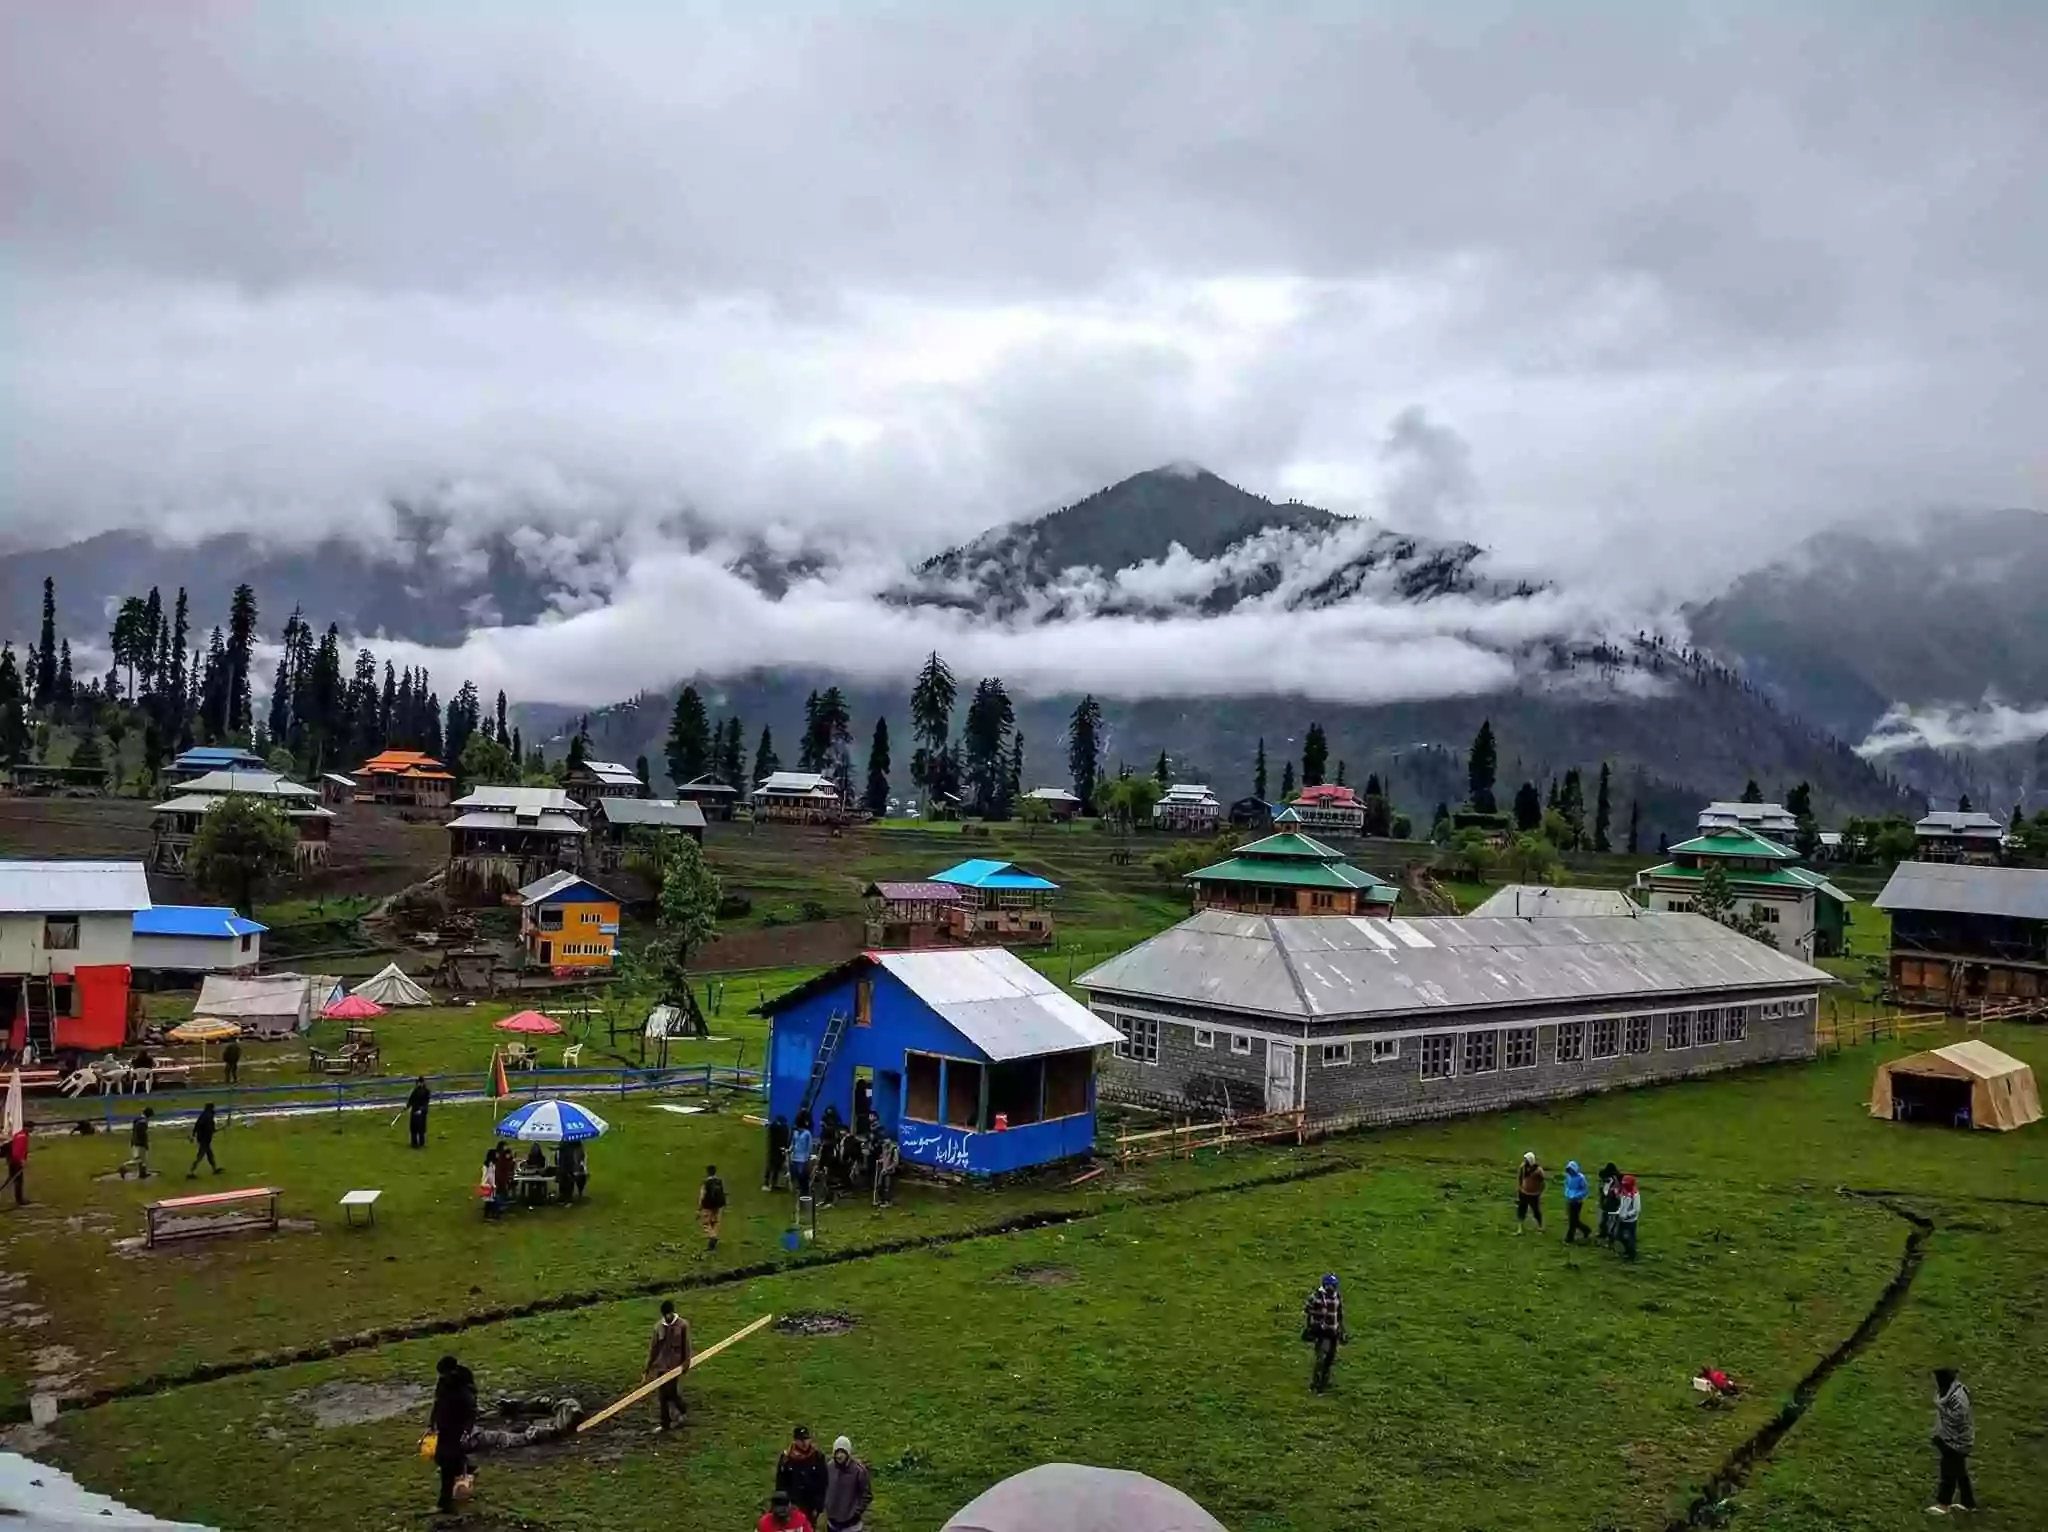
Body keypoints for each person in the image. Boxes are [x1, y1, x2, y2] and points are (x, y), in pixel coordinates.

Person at [428, 1354, 477, 1514]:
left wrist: (466, 1431)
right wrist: (432, 1422)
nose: (441, 1377)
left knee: (446, 1464)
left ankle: (445, 1503)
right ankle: (467, 1471)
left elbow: (471, 1411)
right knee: (445, 1458)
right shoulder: (443, 1382)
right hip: (444, 1426)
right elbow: (437, 1401)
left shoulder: (463, 1388)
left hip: (456, 1428)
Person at [1929, 1367, 1976, 1515]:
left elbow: (1957, 1419)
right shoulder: (1947, 1393)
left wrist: (1944, 1438)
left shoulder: (1958, 1398)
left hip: (1957, 1441)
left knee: (1948, 1472)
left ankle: (1944, 1504)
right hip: (1949, 1439)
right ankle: (1968, 1504)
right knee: (1960, 1472)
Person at [645, 1299, 691, 1431]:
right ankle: (665, 1423)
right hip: (661, 1366)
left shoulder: (682, 1325)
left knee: (670, 1391)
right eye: (665, 1315)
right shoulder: (658, 1327)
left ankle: (682, 1411)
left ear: (673, 1312)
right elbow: (654, 1348)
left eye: (669, 1314)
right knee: (662, 1395)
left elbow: (686, 1346)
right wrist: (648, 1367)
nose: (667, 1317)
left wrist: (685, 1364)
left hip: (675, 1366)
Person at [775, 1425, 829, 1526]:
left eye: (806, 1439)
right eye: (800, 1440)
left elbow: (823, 1483)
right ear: (795, 1440)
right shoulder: (786, 1458)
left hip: (811, 1507)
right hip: (792, 1506)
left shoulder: (817, 1457)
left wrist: (818, 1507)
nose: (804, 1443)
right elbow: (781, 1483)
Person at [1302, 1272, 1346, 1393]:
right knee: (1321, 1358)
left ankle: (1325, 1382)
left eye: (1334, 1286)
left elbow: (1340, 1314)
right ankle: (1316, 1384)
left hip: (1334, 1332)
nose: (1332, 1288)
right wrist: (1311, 1326)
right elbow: (1307, 1311)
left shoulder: (1337, 1297)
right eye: (1330, 1286)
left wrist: (1342, 1331)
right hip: (1321, 1332)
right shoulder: (1316, 1296)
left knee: (1330, 1359)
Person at [822, 1435, 871, 1532]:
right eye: (837, 1452)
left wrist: (856, 1513)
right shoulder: (829, 1467)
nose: (839, 1455)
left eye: (842, 1452)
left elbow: (866, 1495)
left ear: (848, 1453)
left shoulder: (859, 1471)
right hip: (832, 1523)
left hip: (851, 1526)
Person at [187, 1102, 222, 1178]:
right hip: (205, 1139)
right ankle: (191, 1172)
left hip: (202, 1138)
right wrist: (215, 1130)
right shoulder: (209, 1116)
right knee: (200, 1156)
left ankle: (214, 1169)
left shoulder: (203, 1115)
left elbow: (197, 1125)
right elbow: (210, 1128)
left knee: (209, 1155)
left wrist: (193, 1135)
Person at [118, 1106, 154, 1180]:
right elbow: (142, 1134)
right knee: (139, 1160)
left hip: (135, 1142)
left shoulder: (138, 1119)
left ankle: (142, 1173)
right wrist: (145, 1144)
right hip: (139, 1143)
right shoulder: (143, 1122)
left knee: (142, 1160)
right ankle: (124, 1166)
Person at [1562, 1160, 1592, 1244]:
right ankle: (1586, 1230)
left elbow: (1585, 1190)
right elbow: (1567, 1185)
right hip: (1570, 1200)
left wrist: (1576, 1196)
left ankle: (1569, 1237)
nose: (1570, 1171)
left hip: (1577, 1202)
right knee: (1574, 1219)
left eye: (1572, 1170)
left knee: (1573, 1220)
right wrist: (1567, 1193)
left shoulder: (1581, 1178)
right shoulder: (1568, 1176)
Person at [1516, 1151, 1546, 1234]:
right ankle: (1520, 1228)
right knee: (1521, 1210)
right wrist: (1519, 1187)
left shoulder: (1538, 1171)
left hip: (1534, 1194)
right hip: (1523, 1192)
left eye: (1526, 1160)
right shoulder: (1522, 1167)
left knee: (1536, 1211)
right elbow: (1520, 1177)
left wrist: (1540, 1191)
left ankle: (1540, 1227)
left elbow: (1542, 1182)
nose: (1525, 1161)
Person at [698, 1163, 726, 1252]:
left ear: (707, 1172)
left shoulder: (706, 1182)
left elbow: (702, 1195)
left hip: (708, 1205)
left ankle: (713, 1237)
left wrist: (699, 1207)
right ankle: (712, 1241)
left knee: (706, 1223)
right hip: (718, 1205)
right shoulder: (719, 1181)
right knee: (714, 1222)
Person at [1615, 1173, 1641, 1260]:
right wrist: (1619, 1212)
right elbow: (1622, 1204)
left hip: (1630, 1221)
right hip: (1622, 1218)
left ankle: (1631, 1254)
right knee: (1618, 1235)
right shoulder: (1623, 1192)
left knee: (1630, 1237)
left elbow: (1636, 1209)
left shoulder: (1635, 1195)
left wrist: (1626, 1215)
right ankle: (1628, 1249)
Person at [789, 1115, 815, 1199]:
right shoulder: (795, 1132)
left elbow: (809, 1146)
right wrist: (790, 1150)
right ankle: (798, 1188)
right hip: (795, 1155)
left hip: (803, 1157)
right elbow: (793, 1143)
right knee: (795, 1173)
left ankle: (804, 1190)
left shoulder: (807, 1134)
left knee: (802, 1174)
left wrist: (808, 1156)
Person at [1597, 1163, 1622, 1245]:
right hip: (1605, 1201)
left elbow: (1616, 1194)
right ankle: (1603, 1233)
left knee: (1611, 1221)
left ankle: (1611, 1238)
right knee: (1603, 1219)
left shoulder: (1615, 1182)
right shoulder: (1605, 1181)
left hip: (1612, 1203)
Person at [872, 1131, 899, 1208]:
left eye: (886, 1139)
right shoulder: (884, 1147)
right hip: (883, 1170)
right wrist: (880, 1161)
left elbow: (895, 1162)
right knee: (880, 1185)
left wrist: (888, 1168)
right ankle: (882, 1200)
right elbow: (884, 1158)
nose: (885, 1141)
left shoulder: (894, 1149)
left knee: (888, 1187)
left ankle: (888, 1201)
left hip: (890, 1171)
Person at [2, 1127, 27, 1207]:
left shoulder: (17, 1135)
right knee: (18, 1180)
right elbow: (18, 1149)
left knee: (12, 1179)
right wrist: (21, 1160)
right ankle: (19, 1200)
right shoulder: (22, 1136)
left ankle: (19, 1199)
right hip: (15, 1160)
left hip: (12, 1159)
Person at [765, 1115, 791, 1192]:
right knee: (775, 1168)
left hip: (776, 1151)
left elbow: (772, 1129)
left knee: (773, 1168)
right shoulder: (784, 1128)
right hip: (779, 1151)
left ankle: (770, 1183)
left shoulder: (776, 1128)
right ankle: (772, 1183)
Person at [406, 1076, 431, 1149]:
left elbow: (426, 1102)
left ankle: (421, 1143)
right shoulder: (415, 1090)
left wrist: (422, 1110)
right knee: (413, 1128)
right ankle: (414, 1143)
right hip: (414, 1110)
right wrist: (408, 1106)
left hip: (421, 1112)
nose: (419, 1084)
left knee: (421, 1128)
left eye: (420, 1083)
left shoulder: (426, 1091)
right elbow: (411, 1099)